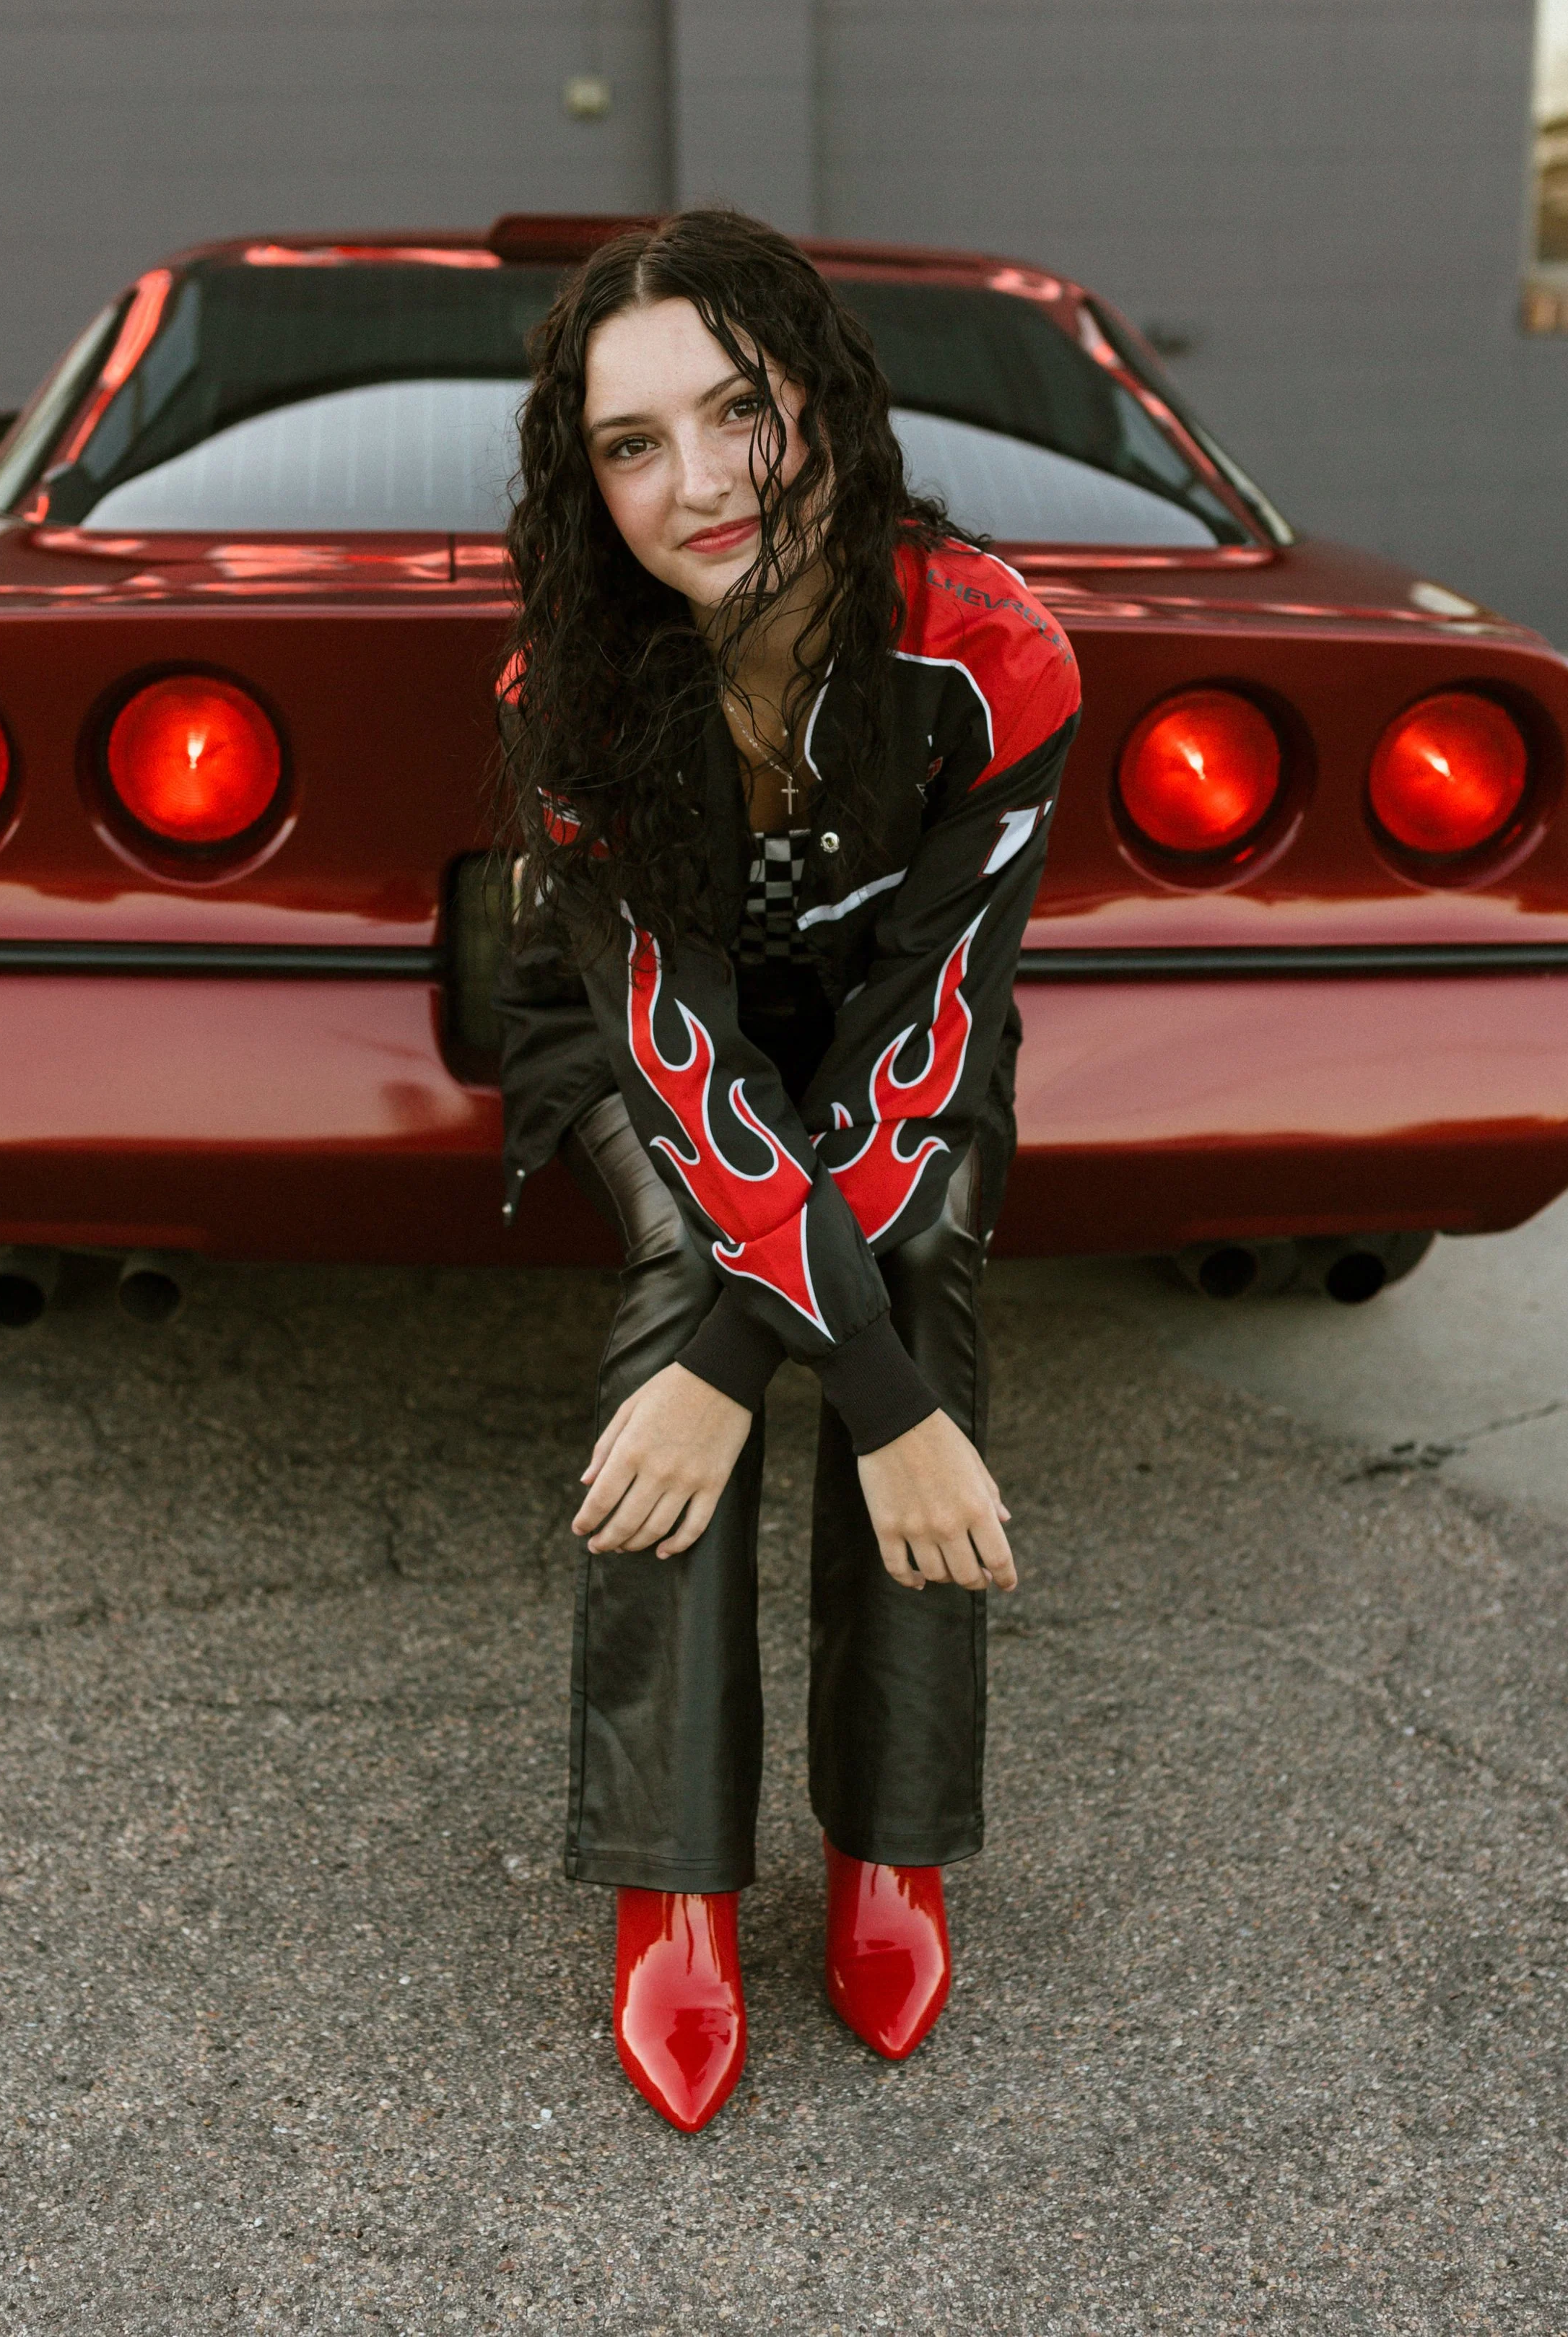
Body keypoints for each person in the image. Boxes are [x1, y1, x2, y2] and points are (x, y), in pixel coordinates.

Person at [495, 210, 1079, 2133]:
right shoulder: (573, 688)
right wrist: (768, 1356)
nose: (692, 481)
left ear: (815, 399)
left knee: (915, 1229)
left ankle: (887, 1843)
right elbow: (668, 1049)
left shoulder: (991, 651)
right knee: (690, 1256)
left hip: (883, 1020)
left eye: (732, 410)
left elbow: (921, 1048)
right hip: (642, 1034)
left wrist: (866, 1397)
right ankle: (671, 1880)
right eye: (628, 444)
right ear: (586, 486)